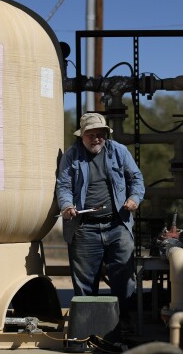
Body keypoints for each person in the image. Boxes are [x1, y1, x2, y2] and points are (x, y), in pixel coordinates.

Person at [56, 112, 145, 328]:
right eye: (91, 134)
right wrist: (67, 206)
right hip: (85, 228)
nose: (97, 139)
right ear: (82, 136)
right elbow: (64, 186)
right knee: (85, 284)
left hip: (117, 224)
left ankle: (122, 326)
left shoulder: (118, 151)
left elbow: (136, 179)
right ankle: (90, 329)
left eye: (101, 134)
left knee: (124, 277)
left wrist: (134, 199)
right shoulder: (71, 156)